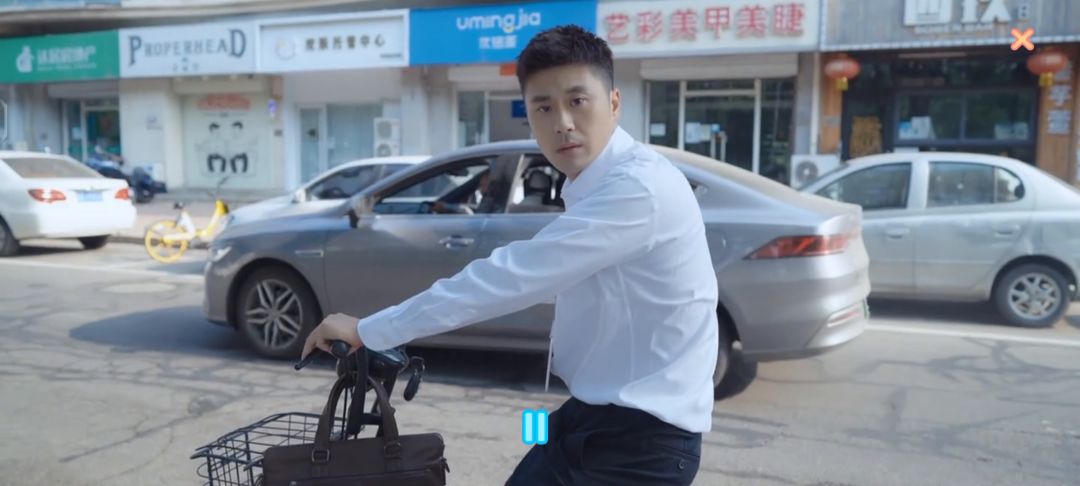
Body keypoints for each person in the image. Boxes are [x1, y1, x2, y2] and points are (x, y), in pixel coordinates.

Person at [301, 25, 718, 485]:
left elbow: (513, 277)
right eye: (544, 107)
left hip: (641, 445)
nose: (562, 122)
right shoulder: (595, 182)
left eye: (578, 101)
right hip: (594, 415)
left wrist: (369, 330)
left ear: (614, 103)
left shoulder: (638, 189)